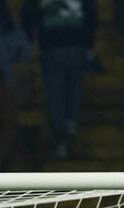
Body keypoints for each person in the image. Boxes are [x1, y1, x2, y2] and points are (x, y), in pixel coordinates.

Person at [22, 0, 98, 159]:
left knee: (55, 95)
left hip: (51, 46)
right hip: (76, 45)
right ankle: (70, 127)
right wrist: (89, 45)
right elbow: (91, 14)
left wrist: (30, 40)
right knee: (74, 91)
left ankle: (61, 137)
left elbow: (28, 14)